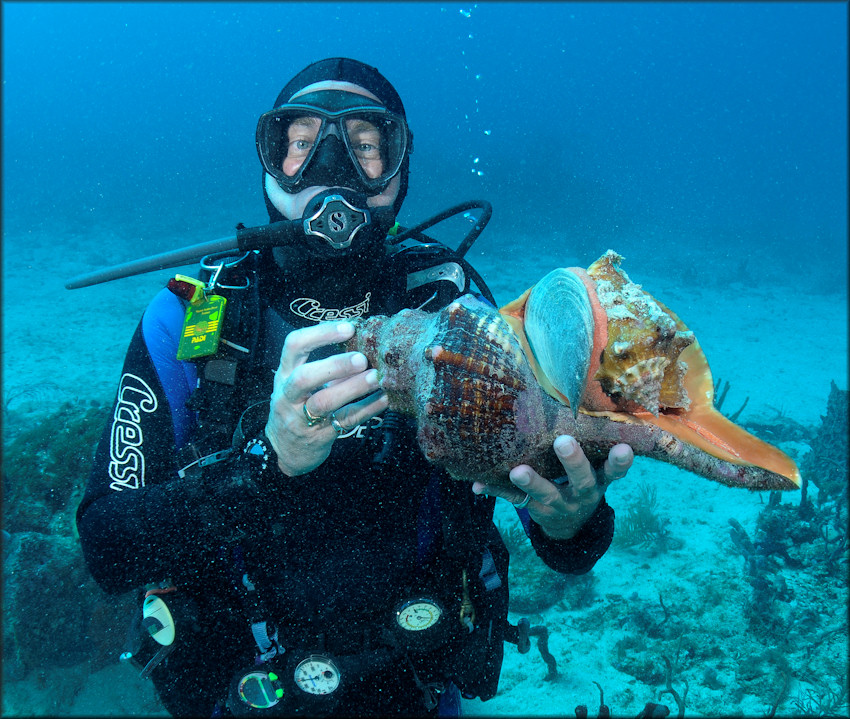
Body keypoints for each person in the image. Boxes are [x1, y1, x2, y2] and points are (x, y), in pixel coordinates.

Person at [76, 57, 635, 717]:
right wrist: (267, 463)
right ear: (268, 163)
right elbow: (107, 546)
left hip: (415, 689)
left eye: (368, 146)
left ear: (399, 173)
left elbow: (561, 534)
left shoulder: (452, 310)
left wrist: (570, 517)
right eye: (303, 145)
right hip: (236, 695)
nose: (332, 170)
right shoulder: (190, 311)